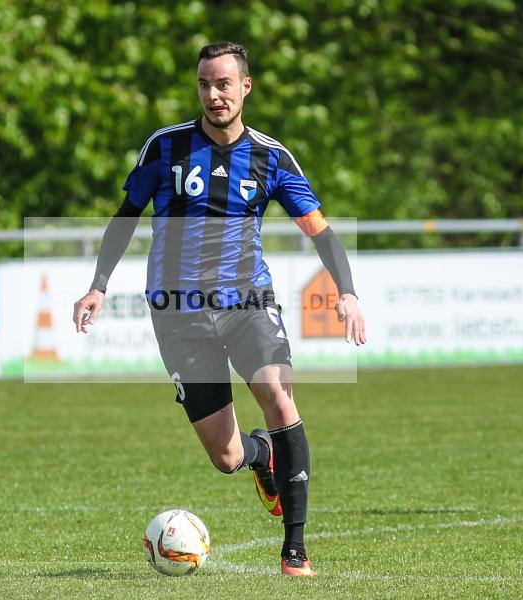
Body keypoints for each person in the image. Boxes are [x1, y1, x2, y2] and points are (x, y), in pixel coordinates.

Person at [72, 41, 365, 576]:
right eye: (205, 84)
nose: (214, 95)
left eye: (224, 84)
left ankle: (294, 549)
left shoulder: (272, 157)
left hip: (247, 302)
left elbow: (321, 233)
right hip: (178, 313)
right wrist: (99, 285)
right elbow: (125, 215)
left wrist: (346, 292)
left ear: (245, 87)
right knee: (227, 457)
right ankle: (260, 455)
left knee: (279, 396)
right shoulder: (165, 147)